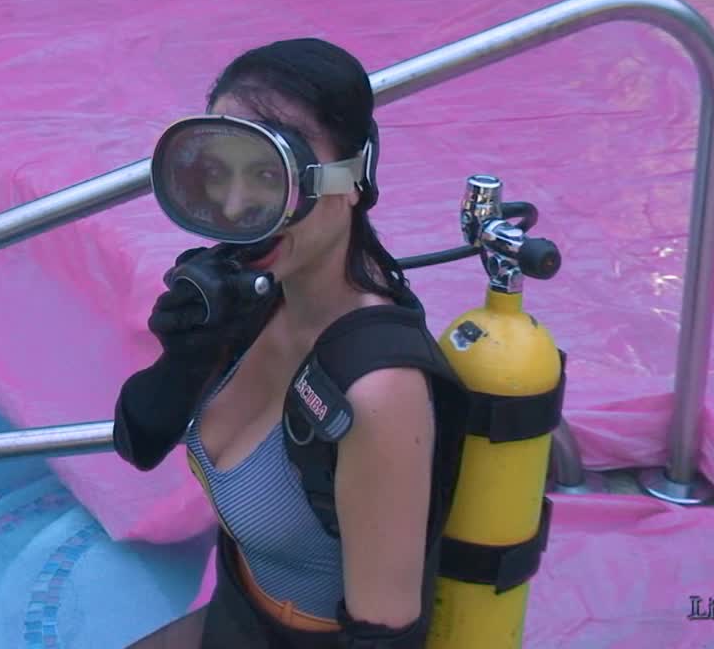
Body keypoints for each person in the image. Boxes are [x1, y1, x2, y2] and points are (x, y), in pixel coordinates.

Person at [113, 37, 472, 648]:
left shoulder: (378, 389)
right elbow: (138, 443)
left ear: (351, 180)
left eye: (268, 174)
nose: (235, 208)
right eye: (217, 171)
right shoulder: (254, 294)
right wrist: (186, 356)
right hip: (235, 611)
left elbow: (384, 638)